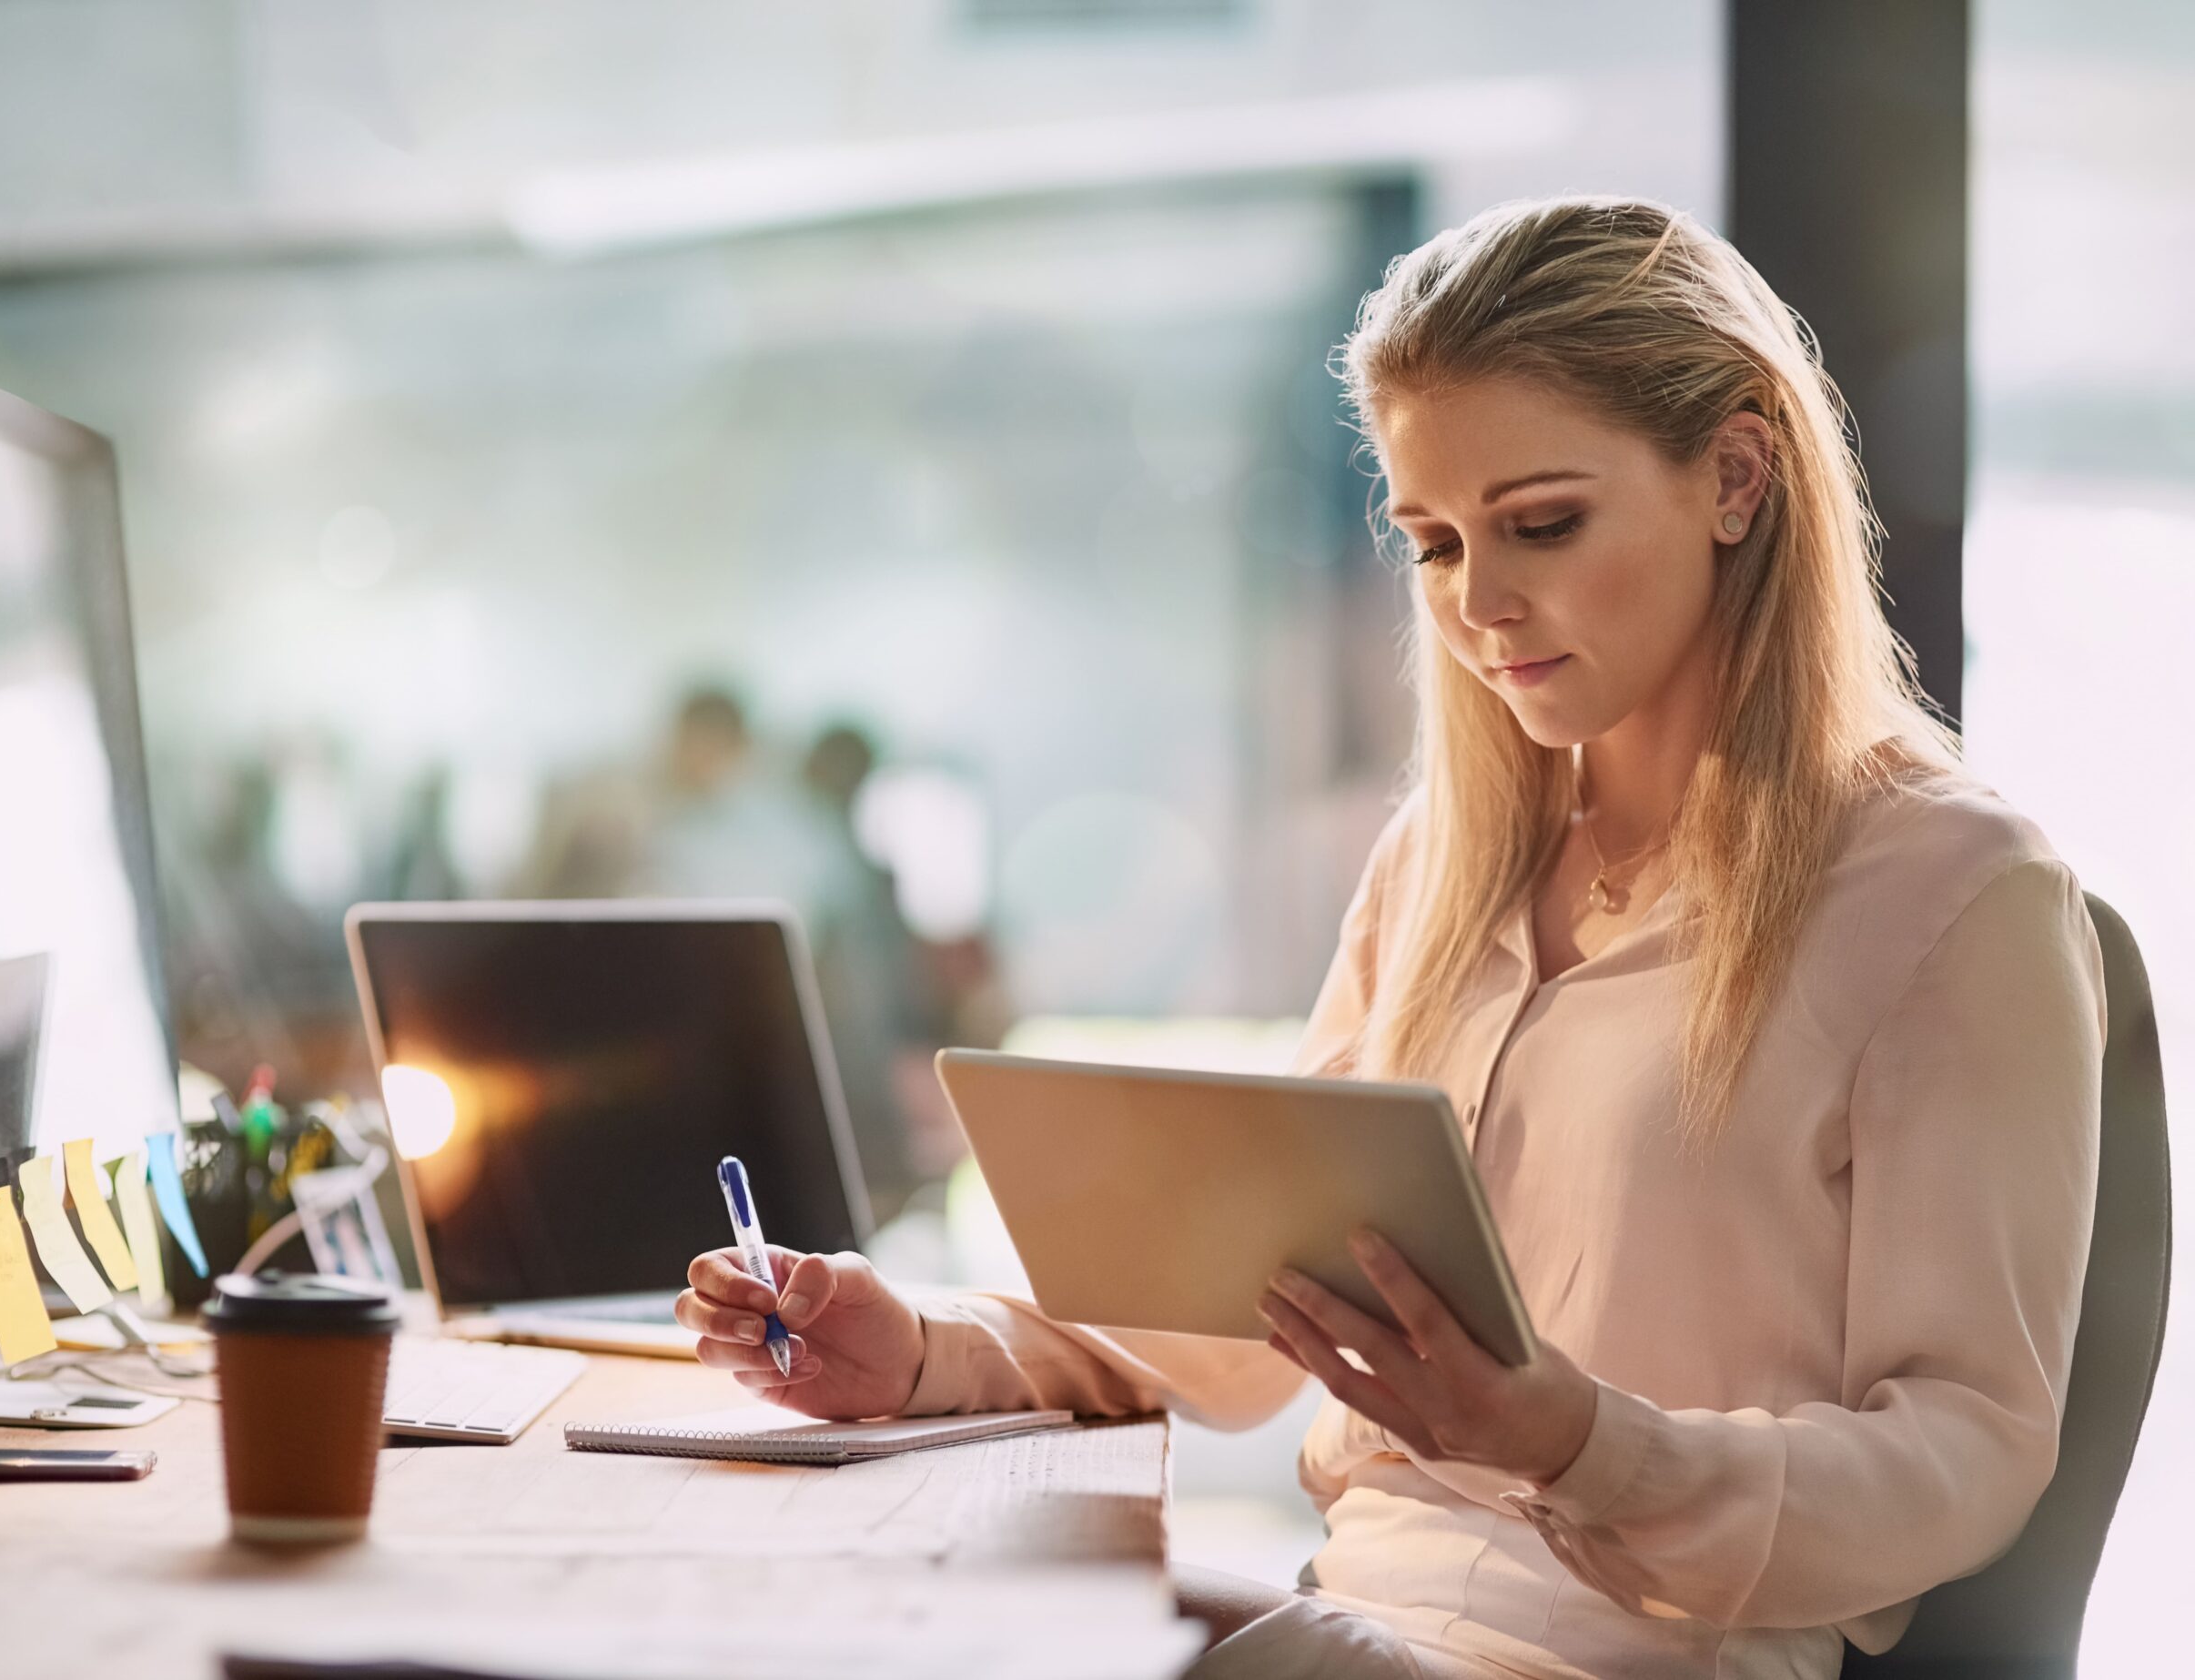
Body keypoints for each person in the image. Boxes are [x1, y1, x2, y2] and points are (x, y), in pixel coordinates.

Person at [672, 198, 2105, 1679]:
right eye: (1434, 543)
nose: (1481, 603)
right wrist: (922, 1348)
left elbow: (1965, 1451)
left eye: (1542, 524)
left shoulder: (1952, 892)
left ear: (1737, 477)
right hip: (1360, 1618)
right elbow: (1250, 1308)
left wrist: (1581, 1444)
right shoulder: (1443, 865)